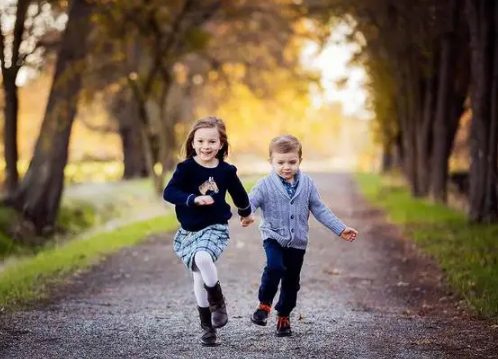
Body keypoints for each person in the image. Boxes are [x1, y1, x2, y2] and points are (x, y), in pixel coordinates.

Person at [242, 134, 358, 337]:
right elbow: (251, 201)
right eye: (280, 162)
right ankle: (264, 305)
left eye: (292, 162)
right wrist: (247, 214)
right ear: (271, 162)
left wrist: (340, 228)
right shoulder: (264, 185)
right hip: (273, 236)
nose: (286, 167)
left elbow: (320, 209)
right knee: (275, 267)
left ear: (300, 161)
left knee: (291, 282)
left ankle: (283, 316)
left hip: (297, 242)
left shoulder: (308, 184)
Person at [163, 116, 255, 346]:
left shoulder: (225, 171)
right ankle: (208, 329)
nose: (206, 146)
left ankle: (218, 301)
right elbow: (169, 193)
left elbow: (239, 194)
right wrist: (193, 199)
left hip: (215, 228)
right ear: (193, 143)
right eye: (201, 141)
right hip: (189, 232)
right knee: (197, 279)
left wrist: (245, 213)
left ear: (221, 144)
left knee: (203, 257)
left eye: (212, 141)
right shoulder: (185, 169)